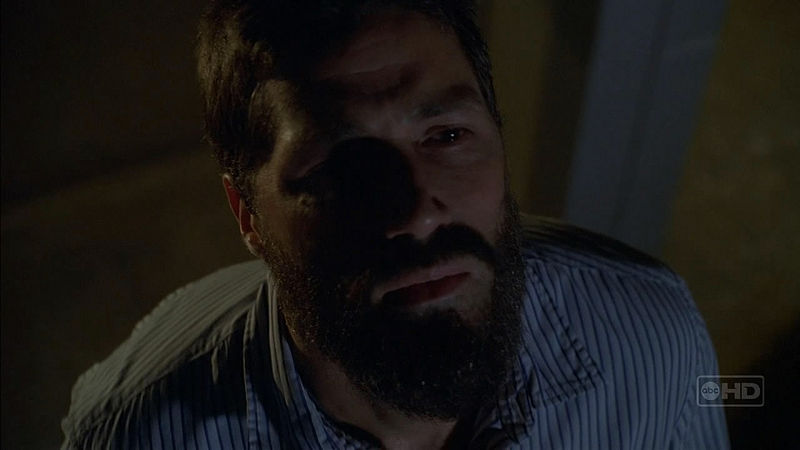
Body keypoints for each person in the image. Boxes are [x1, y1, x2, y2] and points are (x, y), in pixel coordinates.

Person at [61, 1, 730, 448]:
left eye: (446, 135)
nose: (416, 211)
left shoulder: (653, 340)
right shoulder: (137, 433)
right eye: (339, 167)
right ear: (249, 216)